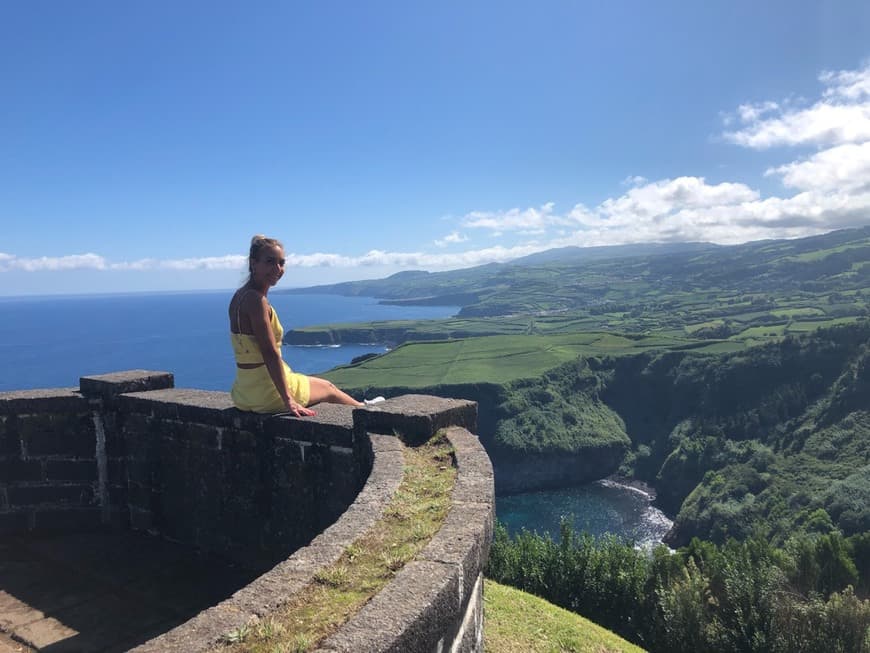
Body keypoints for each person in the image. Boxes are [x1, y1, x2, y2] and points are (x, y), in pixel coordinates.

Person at [229, 235, 382, 416]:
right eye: (270, 261)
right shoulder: (257, 301)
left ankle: (363, 407)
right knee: (328, 388)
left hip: (245, 392)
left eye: (281, 262)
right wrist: (288, 400)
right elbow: (269, 353)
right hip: (266, 392)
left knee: (323, 385)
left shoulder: (239, 296)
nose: (277, 269)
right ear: (253, 263)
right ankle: (367, 413)